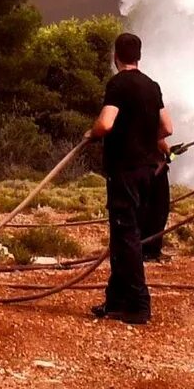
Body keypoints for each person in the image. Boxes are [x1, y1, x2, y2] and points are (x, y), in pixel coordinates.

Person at [83, 30, 168, 325]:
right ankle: (115, 301)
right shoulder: (152, 85)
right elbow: (167, 128)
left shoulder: (118, 84)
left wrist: (91, 133)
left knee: (127, 236)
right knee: (123, 235)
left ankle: (139, 305)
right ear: (139, 56)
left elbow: (106, 123)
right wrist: (147, 139)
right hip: (148, 171)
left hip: (125, 170)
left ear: (115, 56)